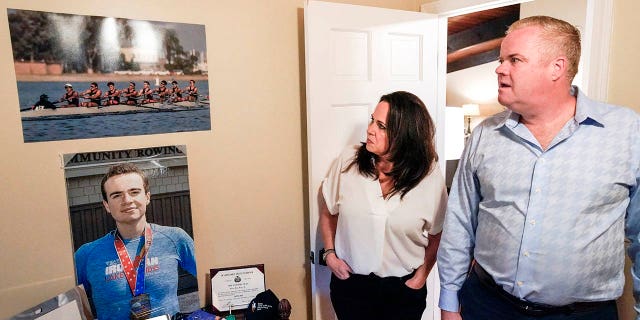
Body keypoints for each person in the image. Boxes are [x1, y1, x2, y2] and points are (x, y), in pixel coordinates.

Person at [437, 16, 640, 320]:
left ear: (556, 68)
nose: (499, 68)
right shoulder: (485, 135)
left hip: (582, 315)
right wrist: (449, 301)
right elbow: (460, 222)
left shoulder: (627, 132)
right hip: (488, 305)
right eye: (501, 59)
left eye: (514, 59)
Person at [319, 91, 447, 320]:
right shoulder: (349, 161)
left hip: (403, 292)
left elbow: (438, 233)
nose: (370, 129)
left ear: (406, 134)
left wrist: (420, 277)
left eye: (381, 126)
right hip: (351, 288)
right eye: (372, 120)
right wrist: (330, 254)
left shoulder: (429, 175)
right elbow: (329, 208)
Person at [74, 163, 198, 320]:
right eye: (116, 195)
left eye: (134, 192)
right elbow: (70, 306)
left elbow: (213, 279)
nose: (127, 200)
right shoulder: (86, 254)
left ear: (147, 197)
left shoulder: (176, 238)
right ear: (106, 205)